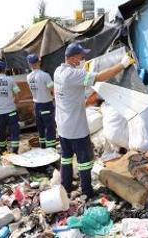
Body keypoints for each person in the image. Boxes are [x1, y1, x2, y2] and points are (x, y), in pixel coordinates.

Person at [54, 42, 134, 197]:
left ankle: (66, 186)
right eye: (81, 56)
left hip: (63, 127)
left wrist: (82, 95)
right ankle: (87, 191)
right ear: (73, 57)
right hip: (76, 129)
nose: (83, 58)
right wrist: (122, 64)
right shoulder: (74, 75)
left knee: (66, 158)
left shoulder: (58, 71)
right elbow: (99, 77)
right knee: (84, 161)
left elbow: (75, 88)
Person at [26, 54, 56, 149]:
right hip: (46, 104)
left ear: (29, 64)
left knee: (41, 128)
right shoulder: (45, 75)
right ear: (39, 62)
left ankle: (43, 147)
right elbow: (53, 89)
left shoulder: (29, 77)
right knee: (49, 128)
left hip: (37, 105)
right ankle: (51, 150)